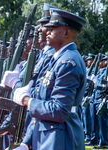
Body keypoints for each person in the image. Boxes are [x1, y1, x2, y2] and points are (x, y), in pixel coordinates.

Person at [12, 8, 87, 150]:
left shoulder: (68, 62)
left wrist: (26, 100)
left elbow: (59, 109)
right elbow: (43, 104)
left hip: (60, 139)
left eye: (52, 29)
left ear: (65, 32)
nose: (47, 32)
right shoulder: (57, 60)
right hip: (47, 136)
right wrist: (27, 142)